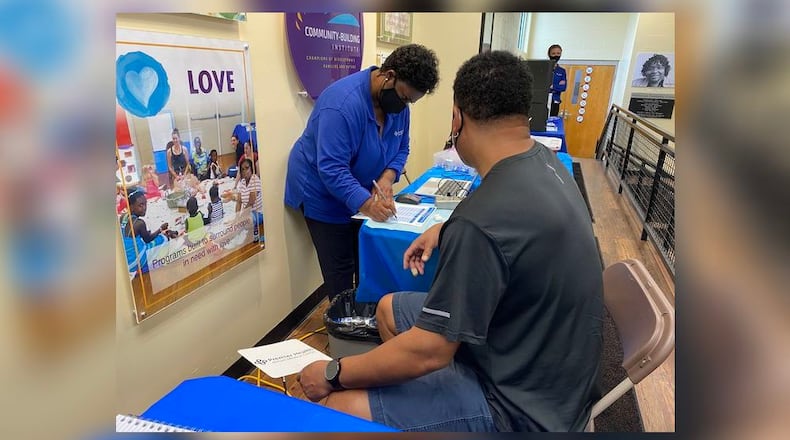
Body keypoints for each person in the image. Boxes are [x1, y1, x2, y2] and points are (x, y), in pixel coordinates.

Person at [297, 51, 604, 432]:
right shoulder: (546, 161)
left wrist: (333, 371)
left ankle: (429, 409)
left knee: (335, 404)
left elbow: (430, 352)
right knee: (389, 308)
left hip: (519, 407)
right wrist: (443, 230)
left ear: (457, 116)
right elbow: (511, 226)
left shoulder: (480, 224)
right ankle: (421, 410)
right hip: (551, 368)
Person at [284, 43, 439, 301]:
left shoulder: (398, 107)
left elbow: (402, 147)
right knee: (341, 270)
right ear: (388, 76)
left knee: (364, 255)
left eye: (411, 101)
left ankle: (363, 318)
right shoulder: (341, 105)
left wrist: (387, 178)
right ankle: (342, 328)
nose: (405, 106)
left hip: (355, 184)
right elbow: (332, 169)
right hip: (319, 190)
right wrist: (367, 203)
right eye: (404, 97)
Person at [120, 187, 175, 274]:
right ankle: (160, 265)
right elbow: (148, 239)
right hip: (135, 260)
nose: (144, 208)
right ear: (131, 207)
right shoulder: (139, 223)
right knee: (163, 239)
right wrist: (160, 229)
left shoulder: (123, 217)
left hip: (126, 259)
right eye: (140, 205)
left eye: (145, 204)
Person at [235, 158, 263, 242]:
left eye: (247, 168)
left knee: (244, 222)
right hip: (247, 212)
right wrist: (236, 216)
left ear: (251, 168)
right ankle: (222, 242)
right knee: (235, 224)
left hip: (258, 213)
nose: (245, 171)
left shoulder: (255, 180)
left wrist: (241, 216)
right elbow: (239, 202)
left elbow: (251, 201)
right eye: (242, 169)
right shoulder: (242, 182)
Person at [547, 44, 567, 117]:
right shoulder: (544, 68)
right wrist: (557, 85)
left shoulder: (562, 71)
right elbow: (541, 86)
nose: (556, 55)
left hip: (555, 100)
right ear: (549, 54)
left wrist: (552, 86)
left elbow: (563, 87)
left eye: (558, 53)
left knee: (552, 122)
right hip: (543, 100)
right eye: (553, 53)